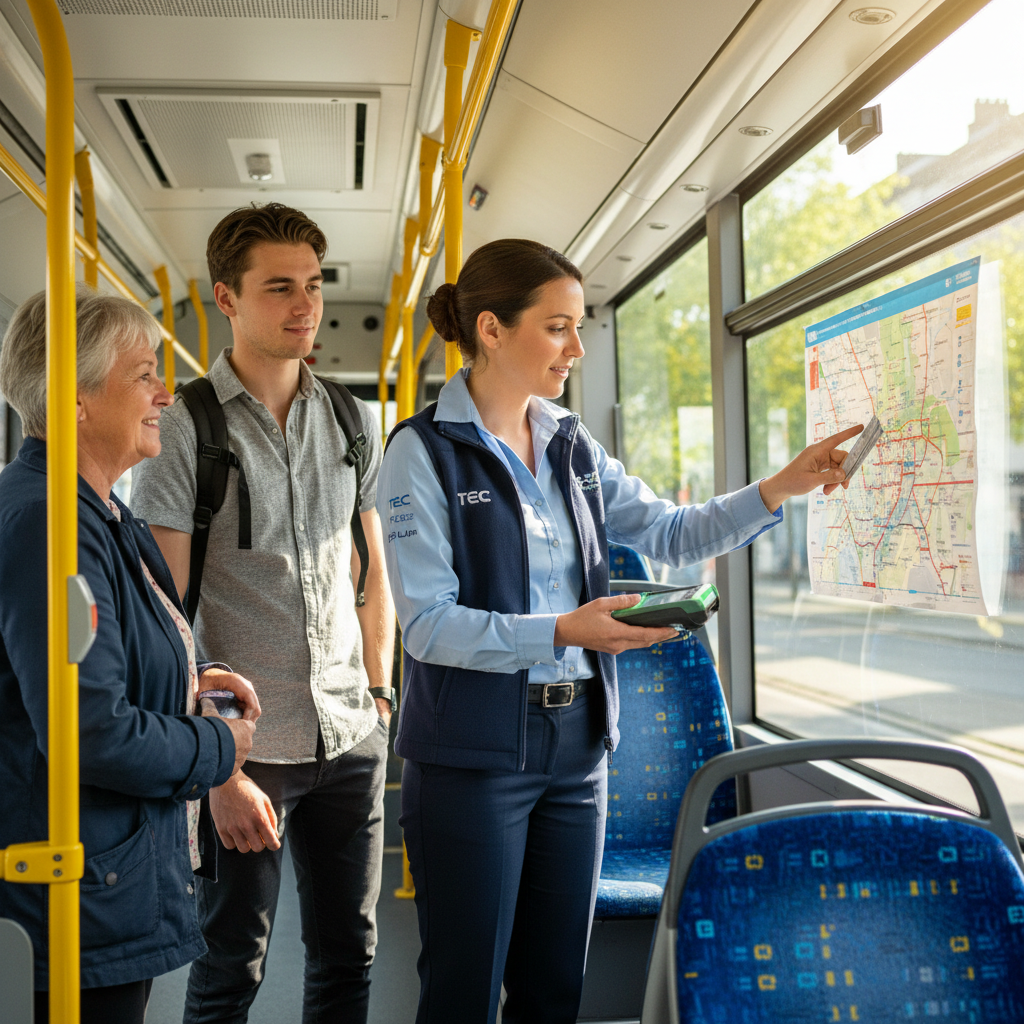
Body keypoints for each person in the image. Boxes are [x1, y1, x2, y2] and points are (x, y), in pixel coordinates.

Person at [378, 238, 862, 1024]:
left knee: (553, 991)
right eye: (558, 327)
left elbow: (670, 532)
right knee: (463, 991)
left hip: (579, 749)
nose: (576, 347)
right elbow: (429, 627)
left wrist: (782, 486)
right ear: (493, 330)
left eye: (580, 327)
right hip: (472, 757)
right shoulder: (423, 453)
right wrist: (566, 628)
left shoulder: (571, 441)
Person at [131, 202, 395, 1024]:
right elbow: (166, 617)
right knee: (227, 970)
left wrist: (381, 700)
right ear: (227, 298)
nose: (305, 305)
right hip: (249, 748)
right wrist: (219, 768)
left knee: (350, 958)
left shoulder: (354, 420)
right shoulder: (186, 429)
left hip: (351, 735)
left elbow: (371, 576)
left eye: (314, 285)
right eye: (280, 286)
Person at [0, 287, 259, 1024]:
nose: (165, 395)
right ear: (76, 399)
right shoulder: (49, 524)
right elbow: (88, 731)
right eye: (145, 374)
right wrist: (221, 745)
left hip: (108, 879)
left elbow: (104, 659)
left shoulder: (106, 514)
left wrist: (190, 676)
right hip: (70, 892)